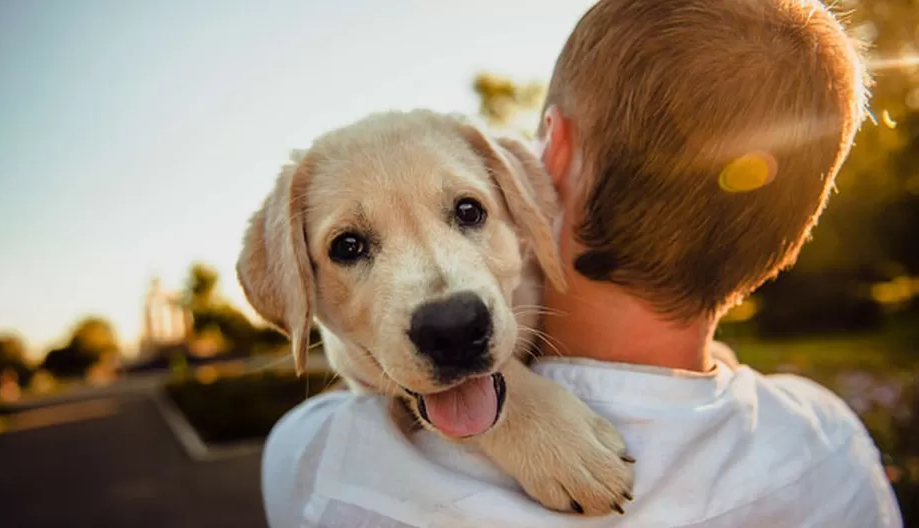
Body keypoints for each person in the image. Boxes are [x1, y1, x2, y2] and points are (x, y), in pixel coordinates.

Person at [260, 0, 903, 526]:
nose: (443, 296)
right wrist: (513, 411)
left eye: (466, 211)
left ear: (550, 156)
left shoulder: (324, 465)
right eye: (351, 247)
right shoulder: (833, 447)